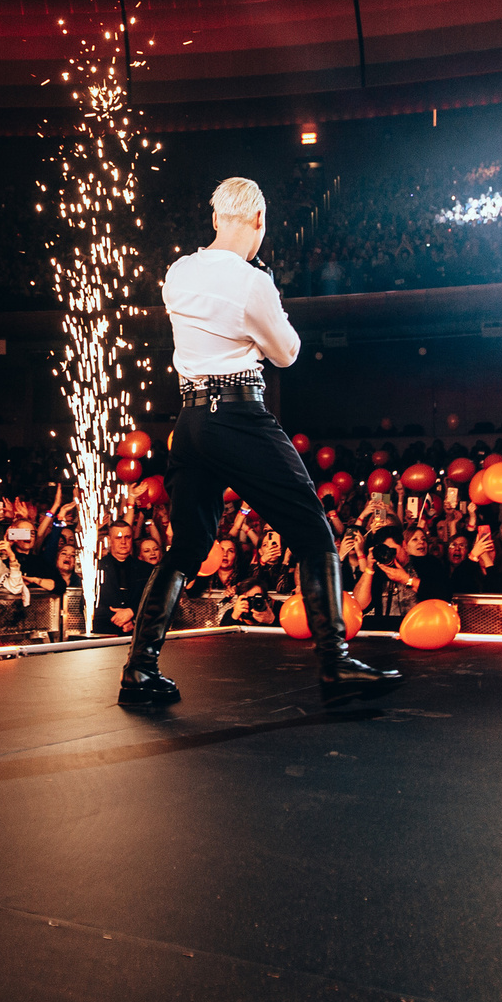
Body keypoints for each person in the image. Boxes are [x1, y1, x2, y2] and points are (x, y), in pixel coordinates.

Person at [123, 176, 398, 706]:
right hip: (238, 415)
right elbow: (287, 353)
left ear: (214, 219)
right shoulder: (253, 283)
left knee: (188, 546)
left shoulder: (178, 272)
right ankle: (336, 665)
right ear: (258, 220)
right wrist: (267, 292)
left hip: (190, 422)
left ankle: (139, 670)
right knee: (314, 531)